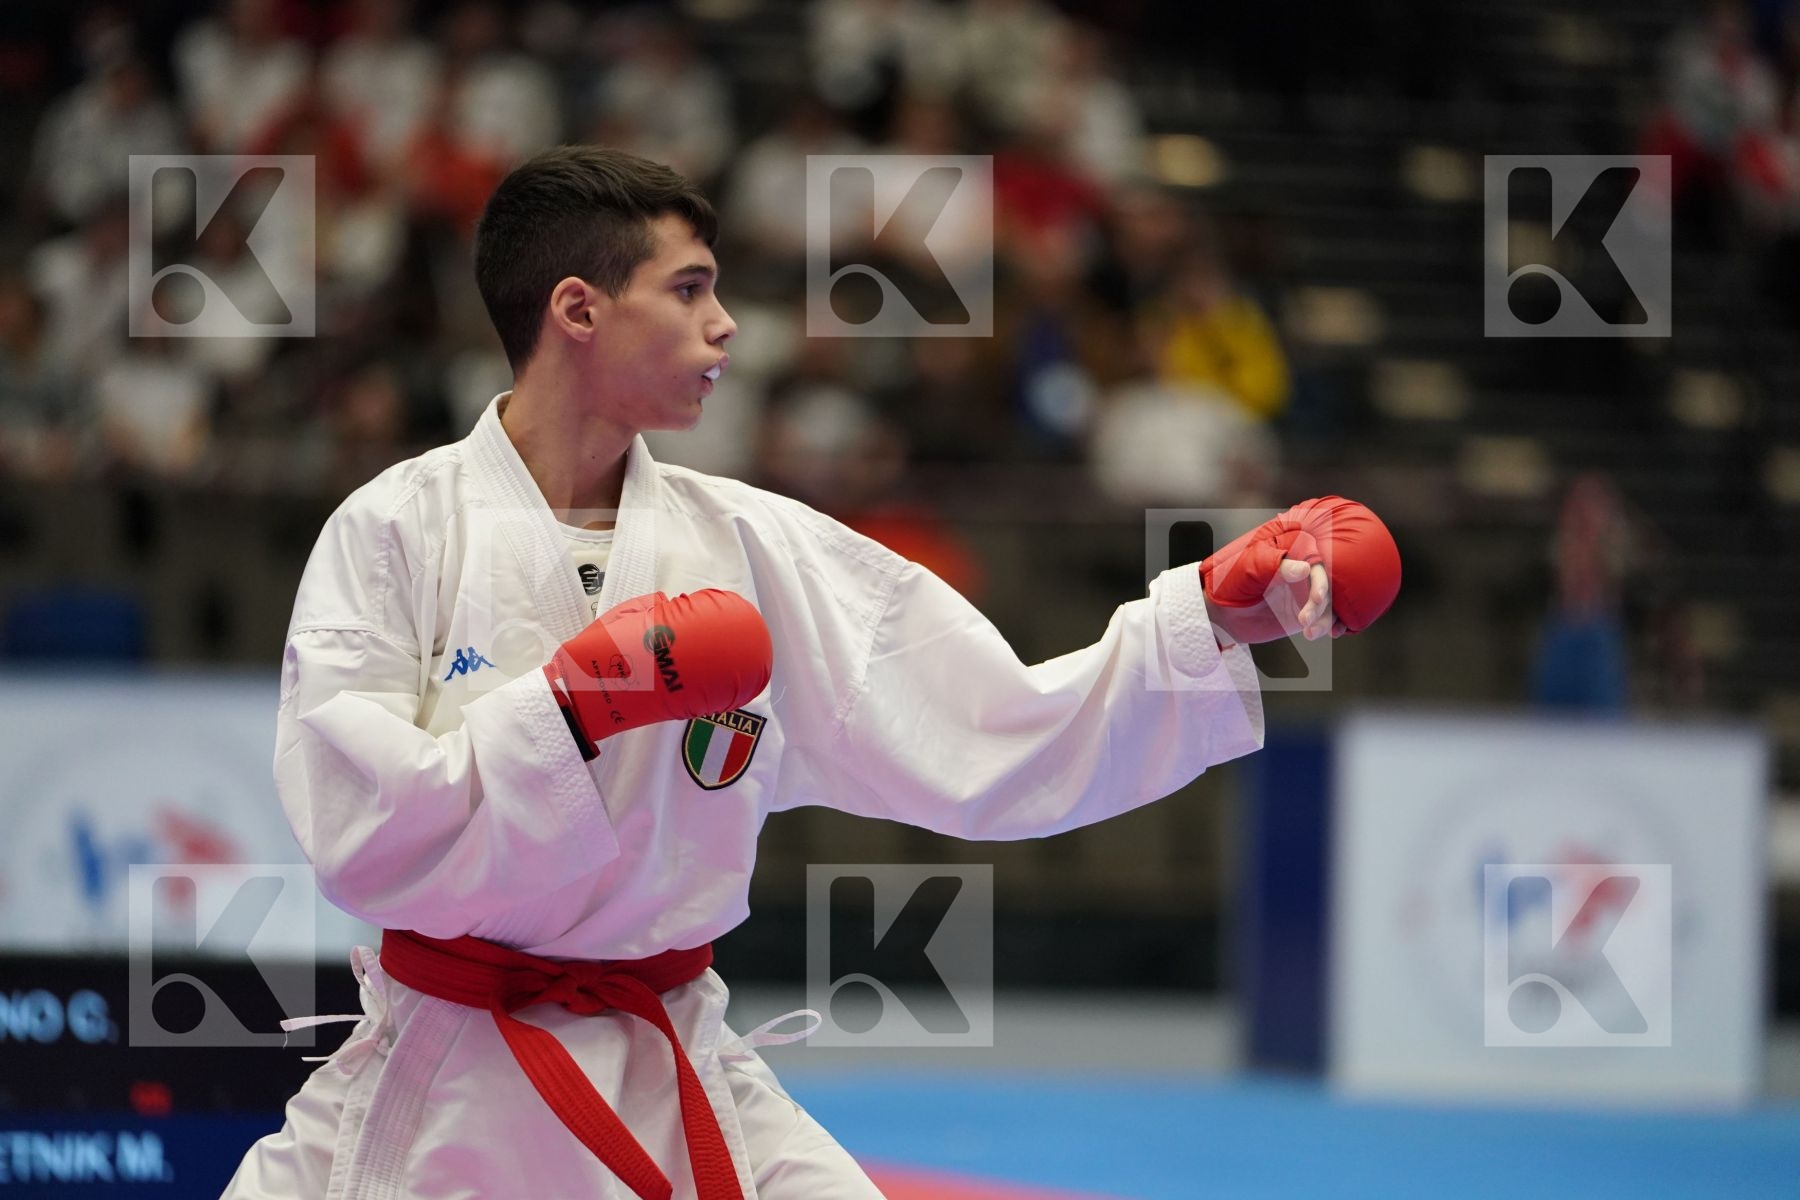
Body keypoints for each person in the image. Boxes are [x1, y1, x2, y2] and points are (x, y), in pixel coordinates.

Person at [223, 145, 1399, 1199]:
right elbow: (358, 831)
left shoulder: (750, 547)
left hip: (673, 1056)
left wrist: (1209, 615)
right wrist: (573, 704)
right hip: (445, 1080)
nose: (726, 325)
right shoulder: (394, 532)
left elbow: (996, 736)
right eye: (688, 291)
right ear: (576, 309)